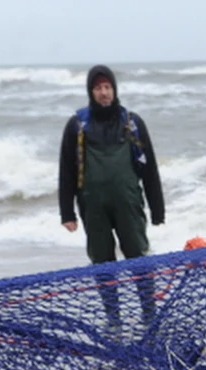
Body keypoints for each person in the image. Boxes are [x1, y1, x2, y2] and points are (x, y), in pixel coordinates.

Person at [58, 64, 164, 329]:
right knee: (103, 264)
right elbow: (66, 170)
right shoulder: (77, 125)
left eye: (107, 87)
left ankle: (149, 316)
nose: (103, 93)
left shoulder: (132, 122)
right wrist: (67, 213)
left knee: (139, 257)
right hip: (92, 206)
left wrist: (157, 208)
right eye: (98, 88)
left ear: (114, 89)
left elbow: (150, 168)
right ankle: (113, 320)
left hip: (128, 202)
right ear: (90, 92)